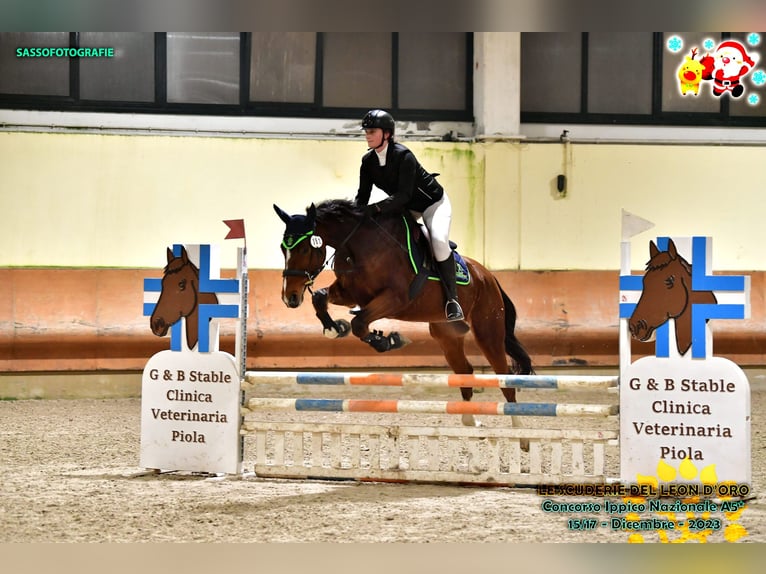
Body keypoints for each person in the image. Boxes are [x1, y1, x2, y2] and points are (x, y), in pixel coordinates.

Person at [354, 109, 464, 321]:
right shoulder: (368, 162)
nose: (367, 135)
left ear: (386, 134)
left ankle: (453, 300)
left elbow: (403, 195)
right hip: (405, 207)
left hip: (433, 204)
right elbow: (362, 195)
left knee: (439, 242)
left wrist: (376, 209)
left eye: (372, 131)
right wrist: (356, 215)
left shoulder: (404, 156)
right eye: (366, 131)